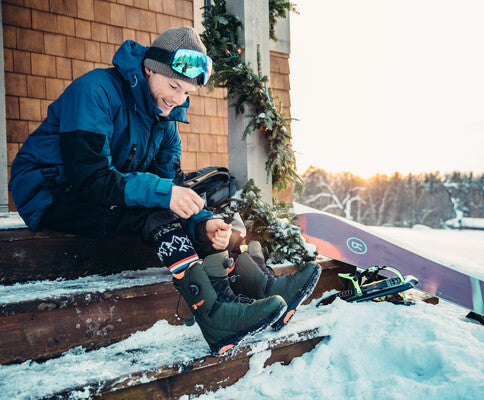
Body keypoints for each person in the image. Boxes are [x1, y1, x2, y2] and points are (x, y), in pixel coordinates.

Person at [9, 26, 321, 356]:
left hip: (105, 195)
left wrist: (202, 224)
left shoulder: (166, 122)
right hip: (50, 192)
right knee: (156, 208)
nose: (177, 100)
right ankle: (215, 316)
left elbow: (171, 185)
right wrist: (164, 194)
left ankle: (259, 287)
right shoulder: (95, 91)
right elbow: (90, 178)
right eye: (173, 86)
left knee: (199, 209)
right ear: (148, 68)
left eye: (186, 92)